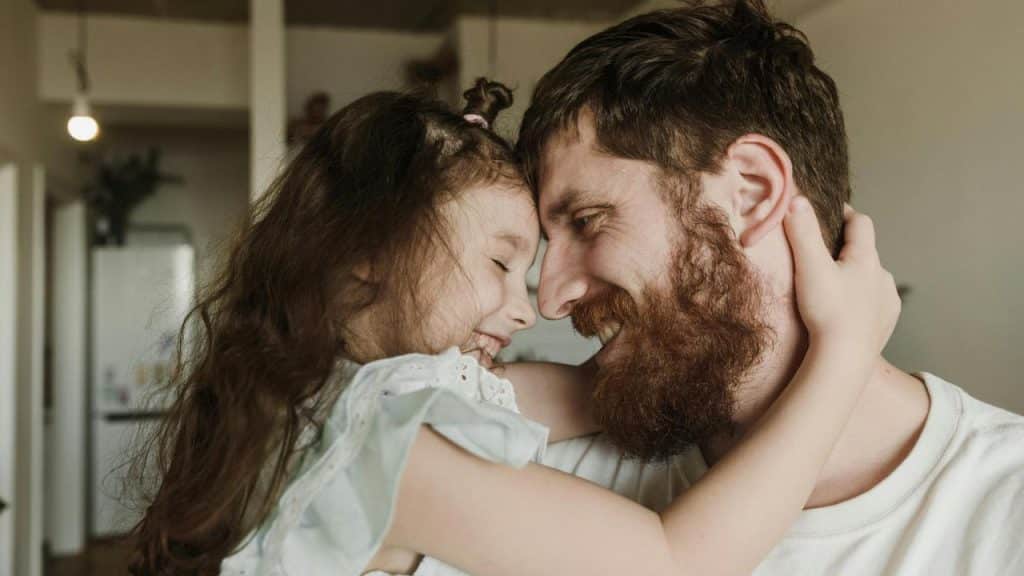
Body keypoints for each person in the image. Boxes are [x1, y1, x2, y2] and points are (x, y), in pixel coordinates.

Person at [128, 79, 897, 576]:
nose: (536, 305)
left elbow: (583, 394)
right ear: (366, 260)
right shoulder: (383, 445)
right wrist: (843, 354)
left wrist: (692, 333)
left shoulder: (361, 403)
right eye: (500, 263)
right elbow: (673, 561)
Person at [517, 1, 1024, 573]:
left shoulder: (1006, 510)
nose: (550, 299)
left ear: (753, 191)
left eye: (587, 220)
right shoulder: (537, 474)